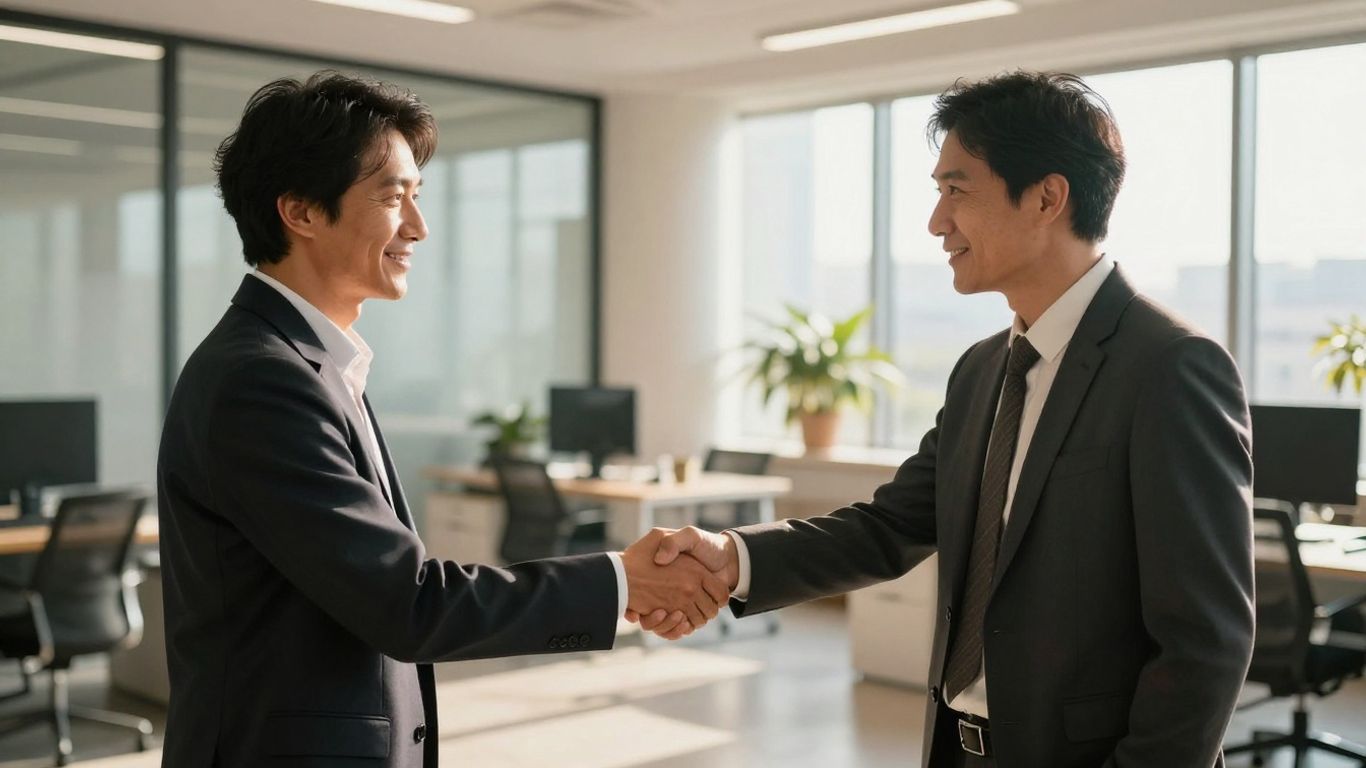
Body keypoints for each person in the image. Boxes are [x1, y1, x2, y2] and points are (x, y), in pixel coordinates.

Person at [638, 71, 1255, 767]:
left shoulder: (1171, 368)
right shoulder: (982, 370)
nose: (937, 222)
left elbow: (1207, 640)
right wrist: (733, 560)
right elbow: (892, 526)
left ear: (1048, 197)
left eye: (956, 191)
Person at [157, 71, 722, 768]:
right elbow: (408, 604)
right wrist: (623, 582)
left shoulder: (314, 363)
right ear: (300, 211)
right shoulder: (261, 379)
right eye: (394, 197)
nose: (418, 228)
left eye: (416, 198)